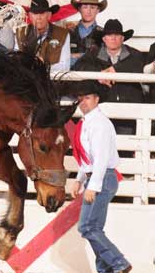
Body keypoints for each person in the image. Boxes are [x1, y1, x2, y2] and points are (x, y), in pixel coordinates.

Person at [70, 79, 132, 273]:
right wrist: (80, 179)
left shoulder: (99, 124)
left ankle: (118, 262)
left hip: (102, 177)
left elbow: (102, 158)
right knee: (94, 228)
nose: (83, 102)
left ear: (96, 99)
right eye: (80, 99)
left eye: (87, 97)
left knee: (87, 227)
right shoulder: (89, 122)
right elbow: (90, 156)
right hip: (98, 176)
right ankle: (106, 270)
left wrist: (93, 185)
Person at [75, 19, 145, 134]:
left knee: (125, 146)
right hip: (102, 110)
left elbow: (139, 64)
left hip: (128, 112)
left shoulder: (135, 54)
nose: (113, 38)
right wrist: (99, 73)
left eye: (117, 35)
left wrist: (115, 69)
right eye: (109, 35)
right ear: (104, 39)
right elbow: (78, 66)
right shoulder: (94, 54)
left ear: (122, 38)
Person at [15, 0, 70, 72]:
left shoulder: (62, 34)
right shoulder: (20, 33)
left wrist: (42, 66)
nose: (39, 17)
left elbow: (65, 67)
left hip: (53, 82)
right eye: (35, 13)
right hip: (27, 81)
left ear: (49, 15)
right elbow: (16, 65)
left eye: (42, 13)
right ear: (30, 16)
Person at [69, 0, 106, 67]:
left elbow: (105, 59)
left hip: (94, 76)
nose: (88, 11)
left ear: (98, 10)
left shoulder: (105, 34)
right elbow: (60, 59)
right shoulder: (68, 32)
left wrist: (76, 56)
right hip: (69, 77)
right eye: (85, 7)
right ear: (79, 9)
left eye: (92, 7)